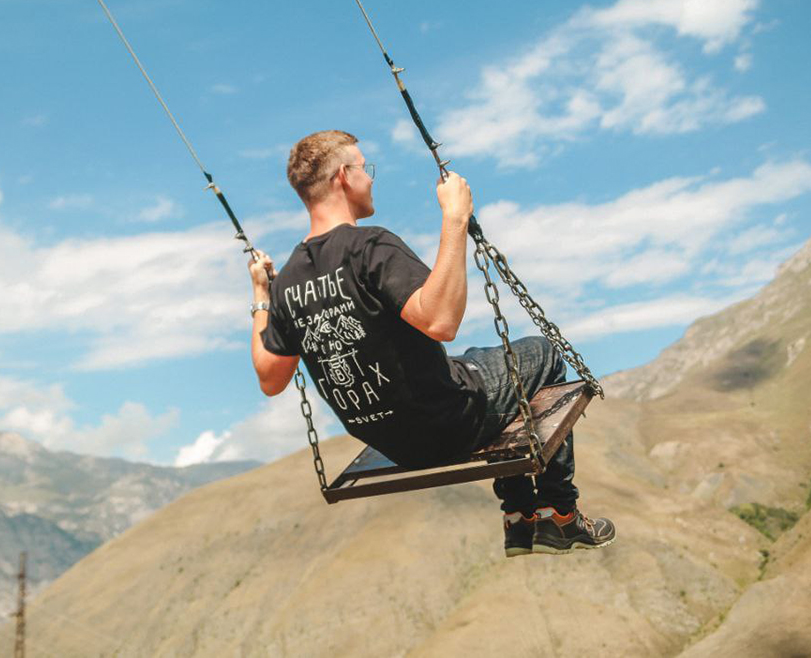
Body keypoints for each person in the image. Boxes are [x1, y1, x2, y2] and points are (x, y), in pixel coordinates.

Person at [248, 130, 614, 557]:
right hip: (446, 423)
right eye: (365, 168)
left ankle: (520, 518)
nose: (370, 178)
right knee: (542, 354)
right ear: (344, 176)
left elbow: (270, 379)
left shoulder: (289, 281)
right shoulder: (370, 247)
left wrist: (261, 295)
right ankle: (558, 513)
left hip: (392, 442)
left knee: (476, 360)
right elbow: (441, 321)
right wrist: (455, 217)